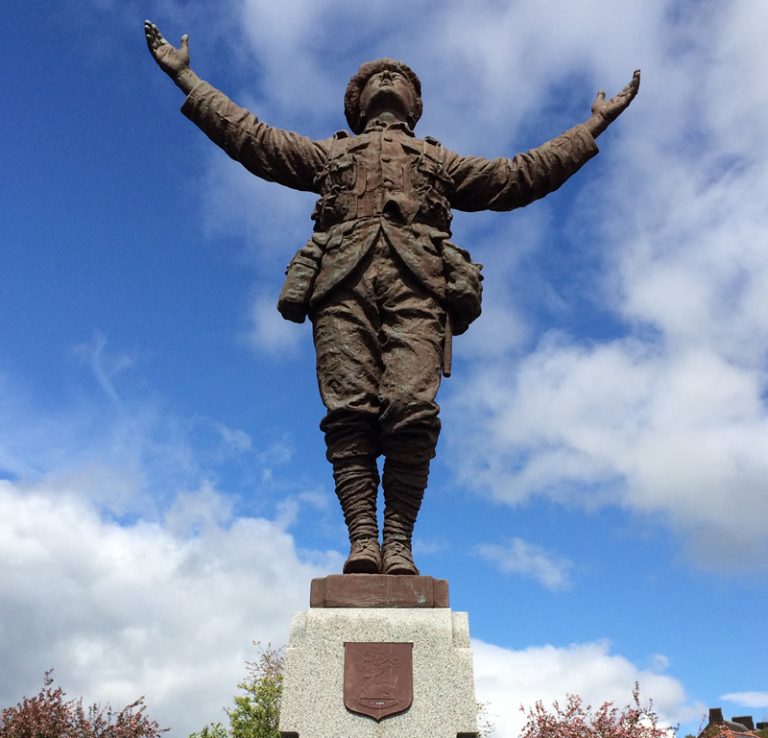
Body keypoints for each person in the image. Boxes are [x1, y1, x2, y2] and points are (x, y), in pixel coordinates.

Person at [145, 22, 639, 576]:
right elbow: (253, 138)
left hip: (420, 284)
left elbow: (517, 175)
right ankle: (362, 538)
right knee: (348, 412)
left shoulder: (441, 163)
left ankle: (398, 540)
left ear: (416, 103)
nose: (385, 75)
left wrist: (592, 126)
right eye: (373, 76)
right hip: (339, 282)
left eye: (398, 75)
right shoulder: (328, 154)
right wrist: (188, 79)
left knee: (413, 410)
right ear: (354, 106)